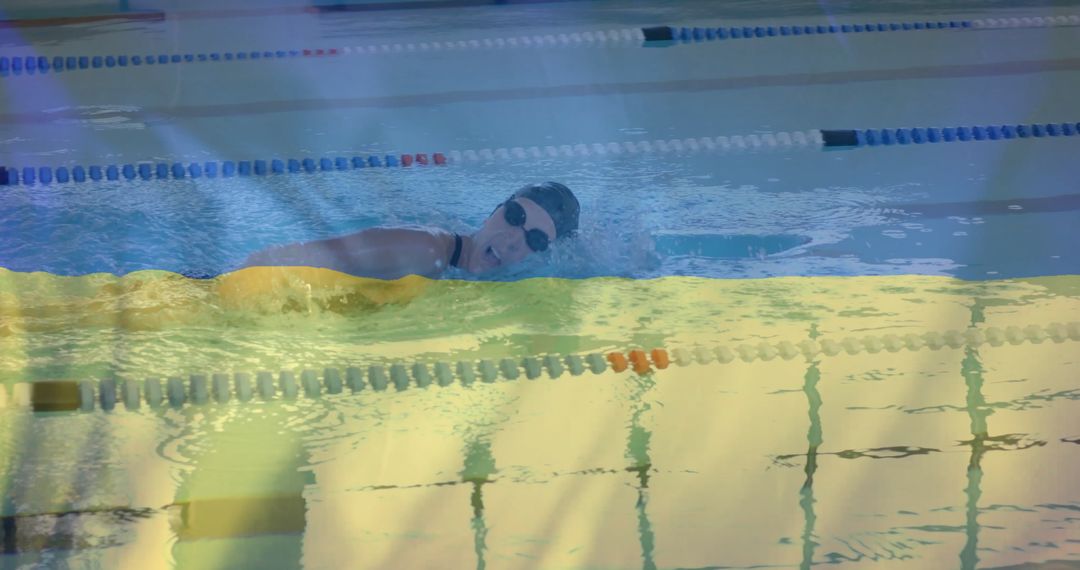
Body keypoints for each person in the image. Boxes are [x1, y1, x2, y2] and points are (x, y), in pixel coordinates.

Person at [242, 182, 580, 280]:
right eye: (514, 216)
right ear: (494, 211)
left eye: (534, 239)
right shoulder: (425, 251)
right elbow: (284, 258)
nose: (511, 239)